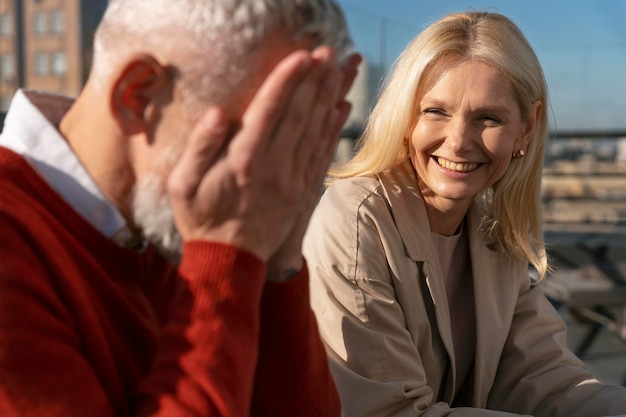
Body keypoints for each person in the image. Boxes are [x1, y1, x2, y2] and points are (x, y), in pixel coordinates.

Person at [0, 1, 361, 416]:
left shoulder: (169, 217)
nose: (269, 177)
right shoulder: (15, 240)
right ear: (138, 97)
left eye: (289, 140)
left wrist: (278, 262)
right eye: (250, 140)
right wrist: (225, 257)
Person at [302, 10, 626, 417]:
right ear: (405, 117)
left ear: (526, 129)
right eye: (435, 111)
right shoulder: (357, 218)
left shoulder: (493, 234)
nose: (457, 142)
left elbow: (547, 380)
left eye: (488, 118)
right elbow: (388, 412)